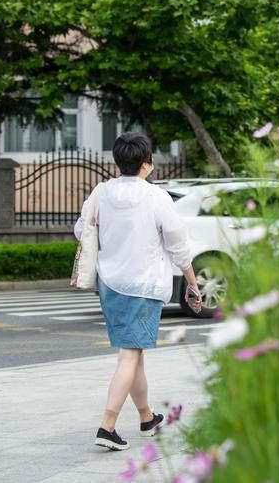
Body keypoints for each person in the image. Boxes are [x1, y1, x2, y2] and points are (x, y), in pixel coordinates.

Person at [74, 132, 202, 451]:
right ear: (146, 163)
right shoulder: (156, 197)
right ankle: (107, 425)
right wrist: (192, 281)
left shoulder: (101, 192)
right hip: (143, 286)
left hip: (110, 284)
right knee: (129, 354)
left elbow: (81, 229)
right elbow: (178, 244)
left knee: (135, 354)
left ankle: (147, 417)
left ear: (119, 161)